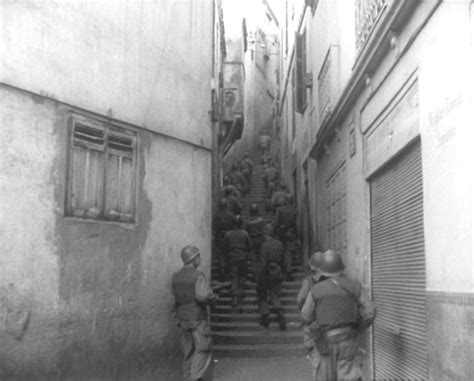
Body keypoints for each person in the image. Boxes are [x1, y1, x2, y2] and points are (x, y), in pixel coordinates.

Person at [301, 250, 376, 381]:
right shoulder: (355, 286)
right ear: (341, 269)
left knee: (325, 376)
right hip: (349, 340)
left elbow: (306, 316)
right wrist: (358, 327)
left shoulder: (316, 289)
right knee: (348, 375)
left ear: (323, 270)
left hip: (325, 341)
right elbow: (370, 311)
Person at [171, 245, 216, 381]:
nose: (200, 259)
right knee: (203, 349)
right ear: (194, 258)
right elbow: (202, 296)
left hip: (182, 319)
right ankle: (195, 378)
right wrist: (212, 296)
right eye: (199, 257)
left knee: (188, 352)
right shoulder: (198, 275)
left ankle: (187, 378)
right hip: (197, 318)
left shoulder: (176, 276)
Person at [297, 251, 324, 378]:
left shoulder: (308, 281)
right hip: (330, 323)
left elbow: (300, 299)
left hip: (313, 324)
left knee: (316, 358)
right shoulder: (332, 280)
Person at [256, 223, 287, 330]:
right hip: (278, 272)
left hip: (267, 273)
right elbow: (284, 259)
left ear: (265, 233)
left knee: (262, 295)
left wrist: (259, 276)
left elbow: (263, 262)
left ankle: (265, 317)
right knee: (276, 295)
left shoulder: (264, 245)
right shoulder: (280, 244)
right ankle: (280, 315)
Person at [223, 215, 252, 308]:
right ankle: (240, 292)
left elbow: (224, 246)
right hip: (242, 257)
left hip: (232, 257)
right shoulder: (245, 233)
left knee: (234, 277)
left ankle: (235, 297)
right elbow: (250, 245)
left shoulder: (228, 233)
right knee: (242, 276)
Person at [213, 198, 235, 280]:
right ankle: (228, 272)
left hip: (220, 237)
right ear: (227, 205)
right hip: (229, 237)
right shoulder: (231, 214)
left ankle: (222, 272)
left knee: (221, 255)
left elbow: (214, 226)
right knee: (228, 254)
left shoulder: (217, 215)